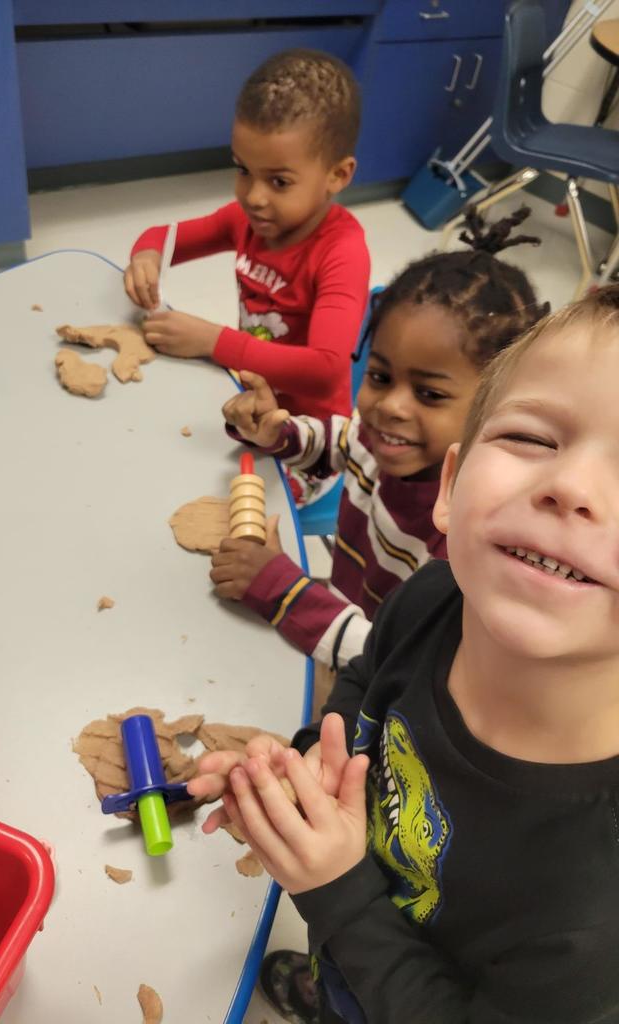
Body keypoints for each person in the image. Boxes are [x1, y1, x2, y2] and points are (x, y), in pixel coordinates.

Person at [190, 283, 619, 1024]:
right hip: (357, 946)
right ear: (451, 486)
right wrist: (309, 773)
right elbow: (364, 679)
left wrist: (335, 890)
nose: (570, 487)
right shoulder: (433, 597)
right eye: (532, 438)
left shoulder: (599, 906)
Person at [211, 208, 547, 670]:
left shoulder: (466, 536)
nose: (390, 406)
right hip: (346, 606)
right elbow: (342, 442)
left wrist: (284, 592)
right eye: (380, 376)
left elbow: (400, 659)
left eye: (429, 393)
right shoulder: (384, 438)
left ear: (498, 403)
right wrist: (279, 433)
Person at [124, 49, 370, 430]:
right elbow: (161, 237)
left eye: (279, 182)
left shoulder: (342, 252)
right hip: (249, 399)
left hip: (307, 432)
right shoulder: (246, 221)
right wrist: (146, 257)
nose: (254, 197)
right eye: (243, 170)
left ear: (337, 175)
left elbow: (325, 370)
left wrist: (213, 342)